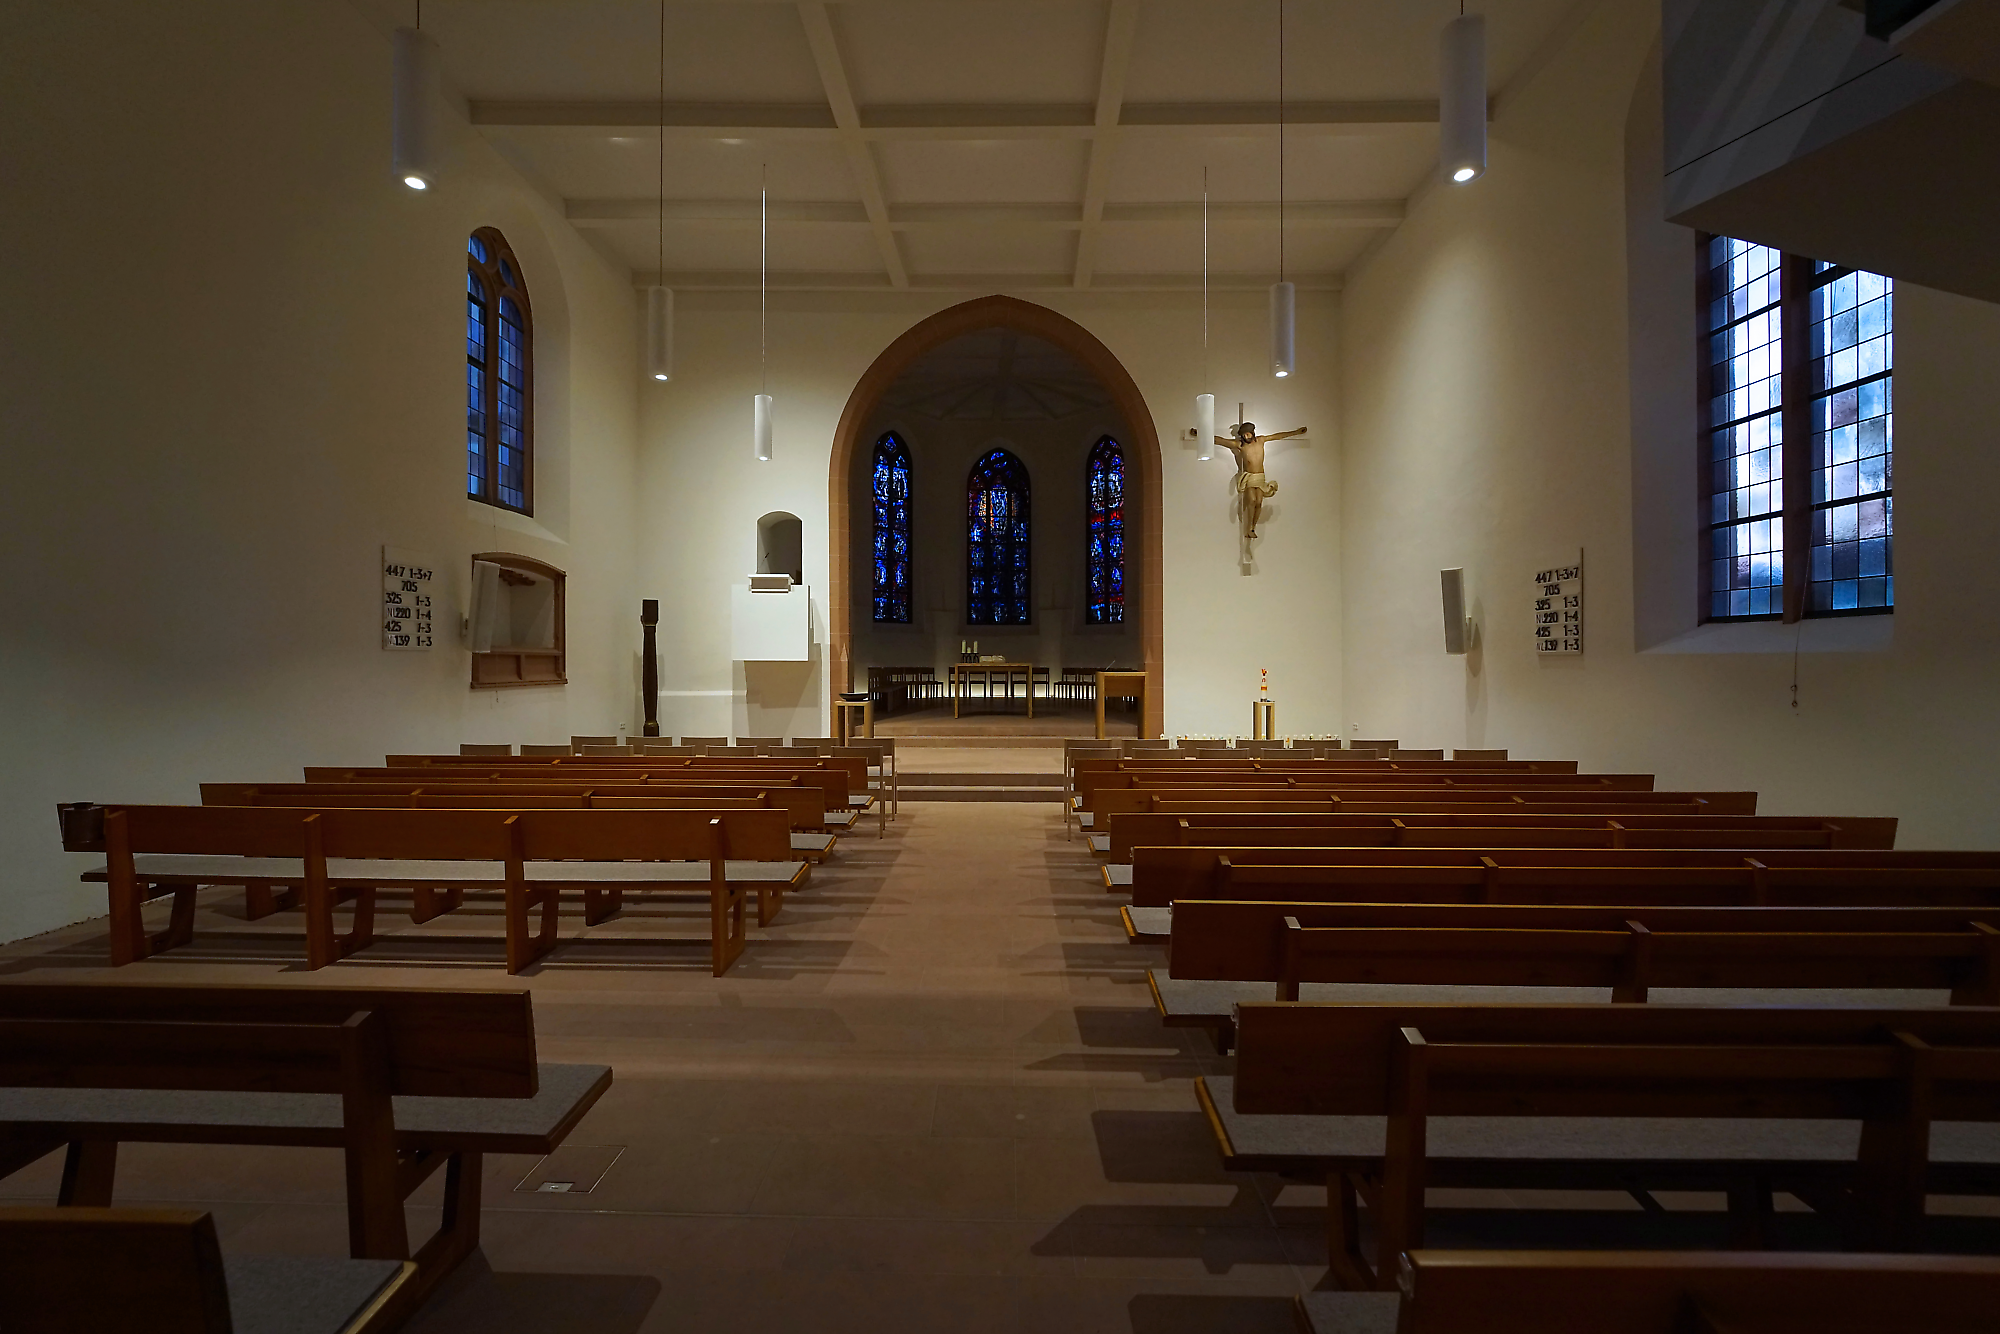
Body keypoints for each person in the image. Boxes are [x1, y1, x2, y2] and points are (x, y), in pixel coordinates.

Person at [1215, 420, 1306, 539]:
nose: (1247, 437)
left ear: (1252, 433)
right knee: (1252, 500)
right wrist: (1200, 434)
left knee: (1258, 502)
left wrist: (1296, 432)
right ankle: (1248, 528)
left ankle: (1252, 528)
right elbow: (1221, 441)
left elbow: (1277, 436)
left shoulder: (1261, 440)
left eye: (1248, 434)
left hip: (1260, 476)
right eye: (1244, 435)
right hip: (1250, 476)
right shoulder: (1240, 445)